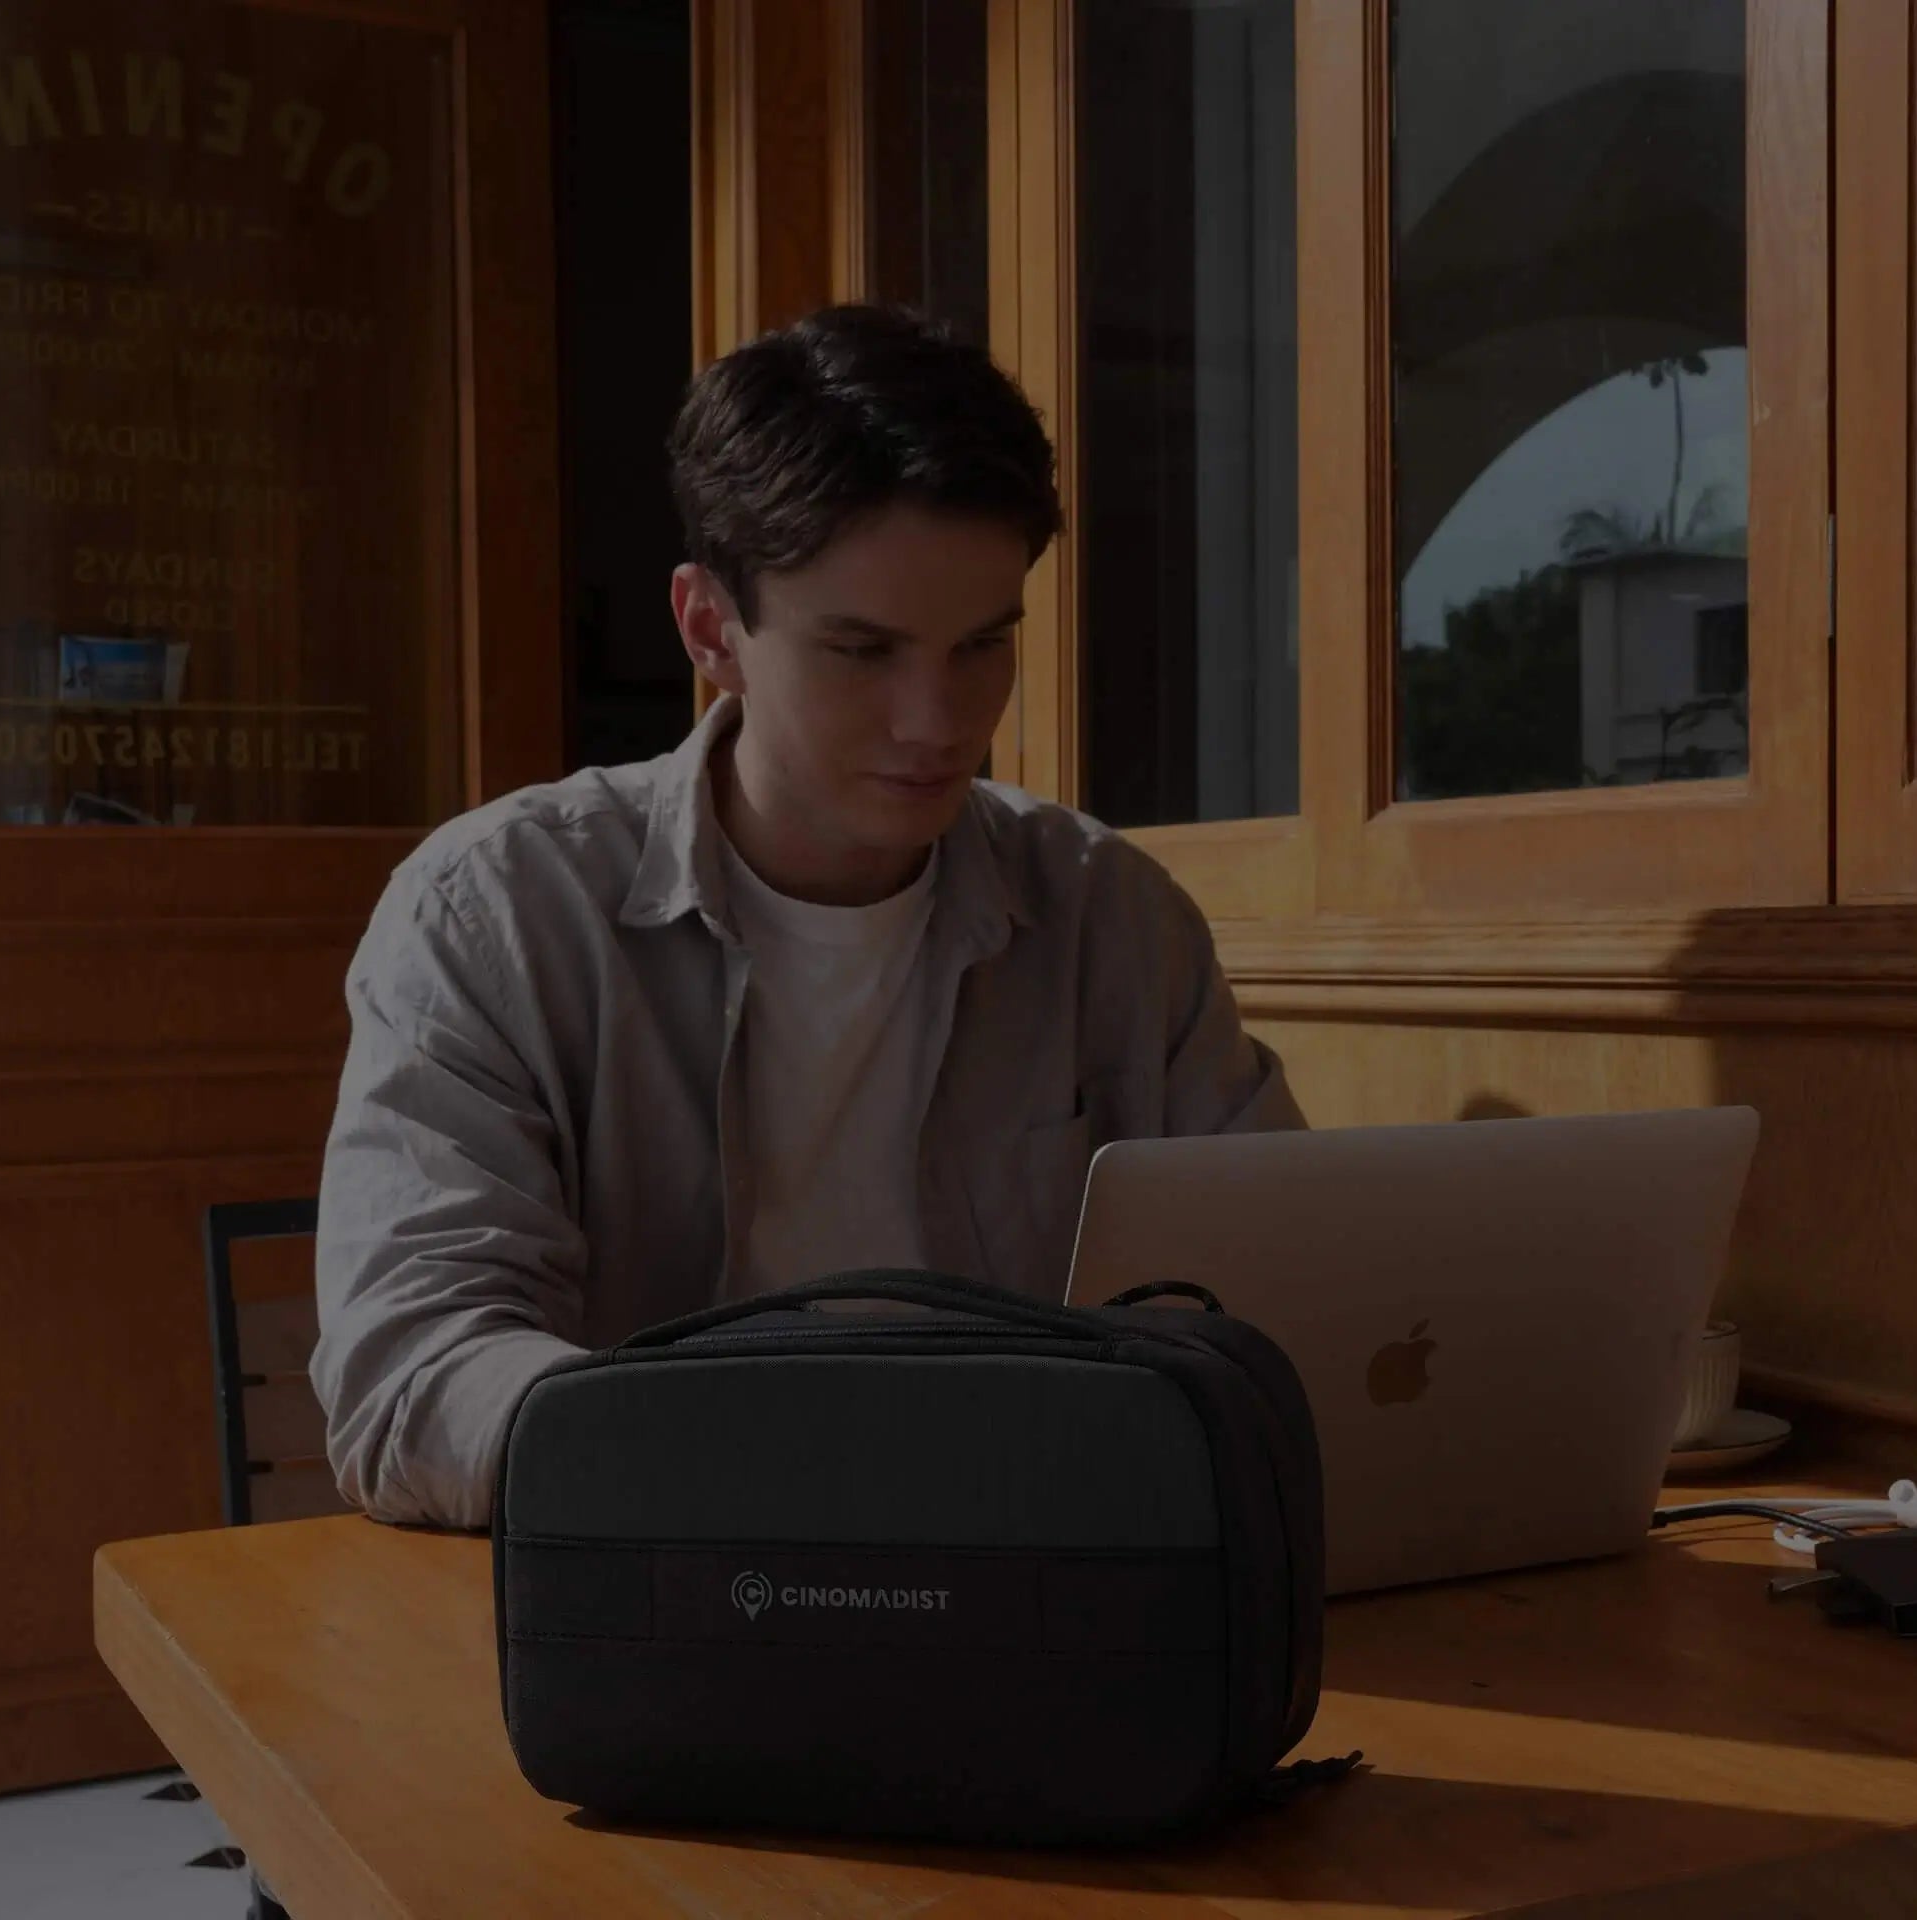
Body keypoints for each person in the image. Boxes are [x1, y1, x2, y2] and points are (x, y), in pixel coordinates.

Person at [310, 305, 1303, 1529]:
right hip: (668, 1590)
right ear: (711, 628)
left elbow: (1279, 1301)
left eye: (983, 645)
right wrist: (750, 1470)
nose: (936, 721)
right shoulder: (497, 914)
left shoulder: (1112, 916)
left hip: (1047, 1581)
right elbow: (409, 1375)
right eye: (860, 651)